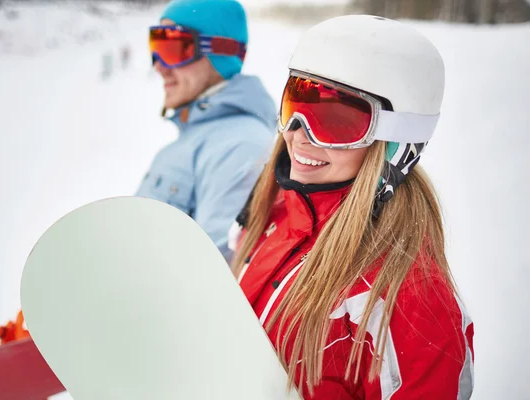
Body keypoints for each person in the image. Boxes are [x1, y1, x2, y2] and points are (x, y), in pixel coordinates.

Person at [229, 15, 475, 400]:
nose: (299, 134)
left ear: (394, 144)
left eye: (336, 121)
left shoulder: (413, 299)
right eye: (298, 102)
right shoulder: (271, 213)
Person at [135, 0, 277, 263]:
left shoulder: (240, 145)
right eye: (156, 46)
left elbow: (214, 269)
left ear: (219, 52)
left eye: (173, 47)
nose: (159, 66)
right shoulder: (202, 135)